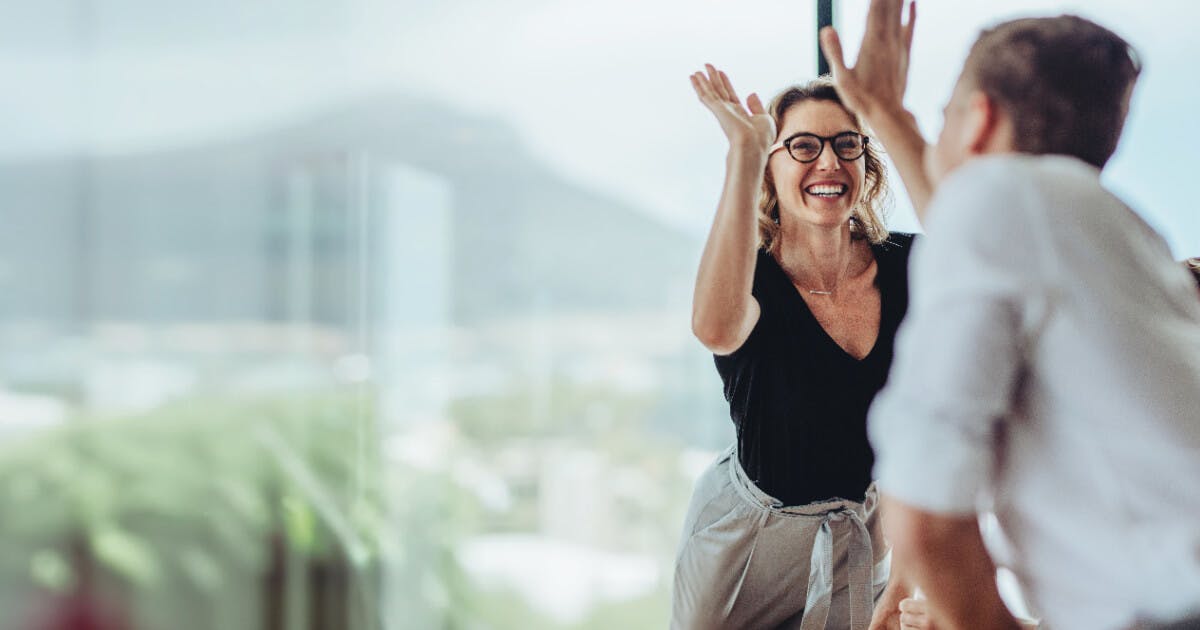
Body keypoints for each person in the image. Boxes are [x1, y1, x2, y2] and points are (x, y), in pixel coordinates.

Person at [819, 2, 1200, 630]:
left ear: (980, 120)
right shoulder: (1112, 231)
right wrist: (888, 115)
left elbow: (924, 514)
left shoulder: (1002, 202)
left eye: (942, 118)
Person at [674, 64, 917, 630]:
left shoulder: (911, 267)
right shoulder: (749, 279)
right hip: (747, 546)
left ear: (865, 163)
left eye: (845, 144)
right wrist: (744, 151)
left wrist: (905, 577)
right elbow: (715, 329)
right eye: (803, 146)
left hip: (863, 534)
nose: (828, 162)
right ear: (770, 168)